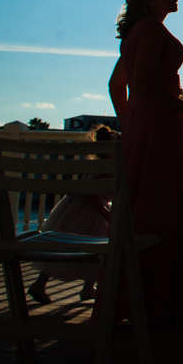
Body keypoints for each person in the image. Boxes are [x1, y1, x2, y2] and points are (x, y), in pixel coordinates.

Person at [109, 0, 183, 325]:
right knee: (157, 201)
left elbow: (117, 85)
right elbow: (142, 86)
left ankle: (128, 298)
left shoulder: (135, 32)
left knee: (140, 201)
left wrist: (130, 123)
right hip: (159, 122)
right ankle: (152, 301)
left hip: (144, 123)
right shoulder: (153, 30)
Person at [27, 126, 118, 305]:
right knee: (94, 248)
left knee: (69, 247)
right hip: (90, 212)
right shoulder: (105, 169)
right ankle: (77, 287)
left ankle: (79, 287)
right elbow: (91, 196)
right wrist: (106, 214)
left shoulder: (98, 165)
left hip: (80, 209)